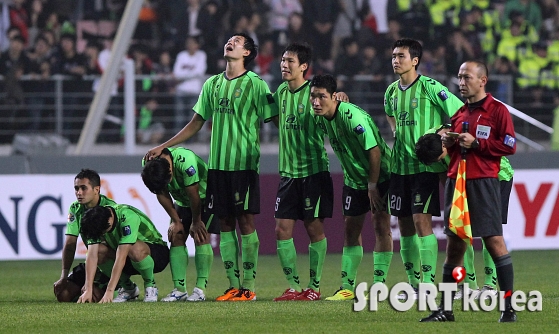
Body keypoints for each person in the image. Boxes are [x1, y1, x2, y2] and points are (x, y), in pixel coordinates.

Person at [145, 33, 277, 301]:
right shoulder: (213, 84)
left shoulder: (256, 84)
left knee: (245, 221)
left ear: (247, 53)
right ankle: (233, 285)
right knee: (226, 223)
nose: (230, 42)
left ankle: (248, 286)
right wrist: (164, 146)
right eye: (229, 39)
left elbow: (275, 119)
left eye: (237, 41)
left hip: (243, 165)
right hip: (217, 167)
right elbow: (195, 123)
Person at [420, 60, 517, 323]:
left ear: (482, 80)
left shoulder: (497, 110)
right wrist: (448, 143)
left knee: (493, 241)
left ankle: (508, 308)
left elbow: (509, 146)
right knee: (454, 246)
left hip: (483, 181)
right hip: (456, 182)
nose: (462, 83)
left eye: (467, 78)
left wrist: (477, 144)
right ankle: (446, 310)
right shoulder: (460, 113)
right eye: (460, 78)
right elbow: (454, 151)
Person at [384, 38, 463, 299]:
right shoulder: (391, 92)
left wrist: (444, 133)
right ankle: (414, 283)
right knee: (404, 226)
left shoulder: (430, 87)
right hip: (399, 167)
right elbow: (389, 113)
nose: (396, 60)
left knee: (421, 222)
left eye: (401, 56)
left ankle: (429, 283)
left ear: (415, 60)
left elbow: (460, 111)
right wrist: (396, 131)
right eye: (394, 56)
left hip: (425, 168)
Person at [310, 74, 393, 301]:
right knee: (350, 229)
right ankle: (347, 287)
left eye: (322, 97)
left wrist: (373, 186)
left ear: (333, 97)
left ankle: (379, 285)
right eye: (313, 96)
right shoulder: (318, 116)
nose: (316, 102)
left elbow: (374, 152)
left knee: (381, 225)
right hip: (353, 179)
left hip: (381, 176)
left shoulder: (352, 117)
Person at [415, 125, 514, 300]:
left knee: (490, 231)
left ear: (445, 147)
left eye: (440, 158)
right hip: (466, 180)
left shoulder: (462, 140)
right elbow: (445, 176)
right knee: (461, 230)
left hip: (496, 176)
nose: (439, 162)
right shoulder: (429, 141)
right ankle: (470, 286)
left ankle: (490, 285)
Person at [270, 43, 333, 302]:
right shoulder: (281, 92)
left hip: (313, 172)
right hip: (288, 173)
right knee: (281, 230)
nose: (284, 65)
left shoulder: (313, 94)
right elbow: (277, 119)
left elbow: (332, 112)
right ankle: (294, 287)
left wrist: (340, 99)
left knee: (313, 229)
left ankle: (314, 287)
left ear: (304, 67)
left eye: (290, 61)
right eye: (283, 60)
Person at [141, 147, 220, 302]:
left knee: (200, 236)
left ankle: (200, 290)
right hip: (182, 201)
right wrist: (176, 221)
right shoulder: (148, 163)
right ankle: (180, 290)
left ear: (170, 171)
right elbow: (161, 193)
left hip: (205, 198)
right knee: (176, 235)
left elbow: (194, 195)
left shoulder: (186, 161)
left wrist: (196, 222)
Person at [53, 169, 136, 302]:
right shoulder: (75, 209)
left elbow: (110, 250)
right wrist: (63, 276)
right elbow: (70, 244)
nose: (79, 193)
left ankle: (125, 286)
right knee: (63, 295)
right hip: (91, 261)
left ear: (96, 189)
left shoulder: (109, 210)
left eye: (83, 188)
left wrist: (89, 284)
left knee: (94, 297)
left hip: (107, 263)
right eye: (76, 188)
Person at [77, 204, 170, 303]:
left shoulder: (127, 216)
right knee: (98, 251)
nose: (101, 237)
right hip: (127, 258)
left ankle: (151, 287)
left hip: (157, 255)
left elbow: (121, 256)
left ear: (109, 222)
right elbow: (91, 256)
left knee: (133, 248)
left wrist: (110, 290)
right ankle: (129, 289)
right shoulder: (95, 221)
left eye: (102, 234)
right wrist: (88, 288)